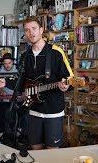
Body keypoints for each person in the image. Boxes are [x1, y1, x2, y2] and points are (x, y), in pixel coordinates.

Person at [21, 17, 71, 149]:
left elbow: (69, 77)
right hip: (33, 110)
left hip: (53, 111)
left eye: (34, 28)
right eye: (27, 30)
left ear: (41, 30)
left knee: (52, 153)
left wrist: (65, 86)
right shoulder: (25, 56)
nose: (31, 33)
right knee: (35, 149)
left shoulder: (56, 52)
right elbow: (22, 81)